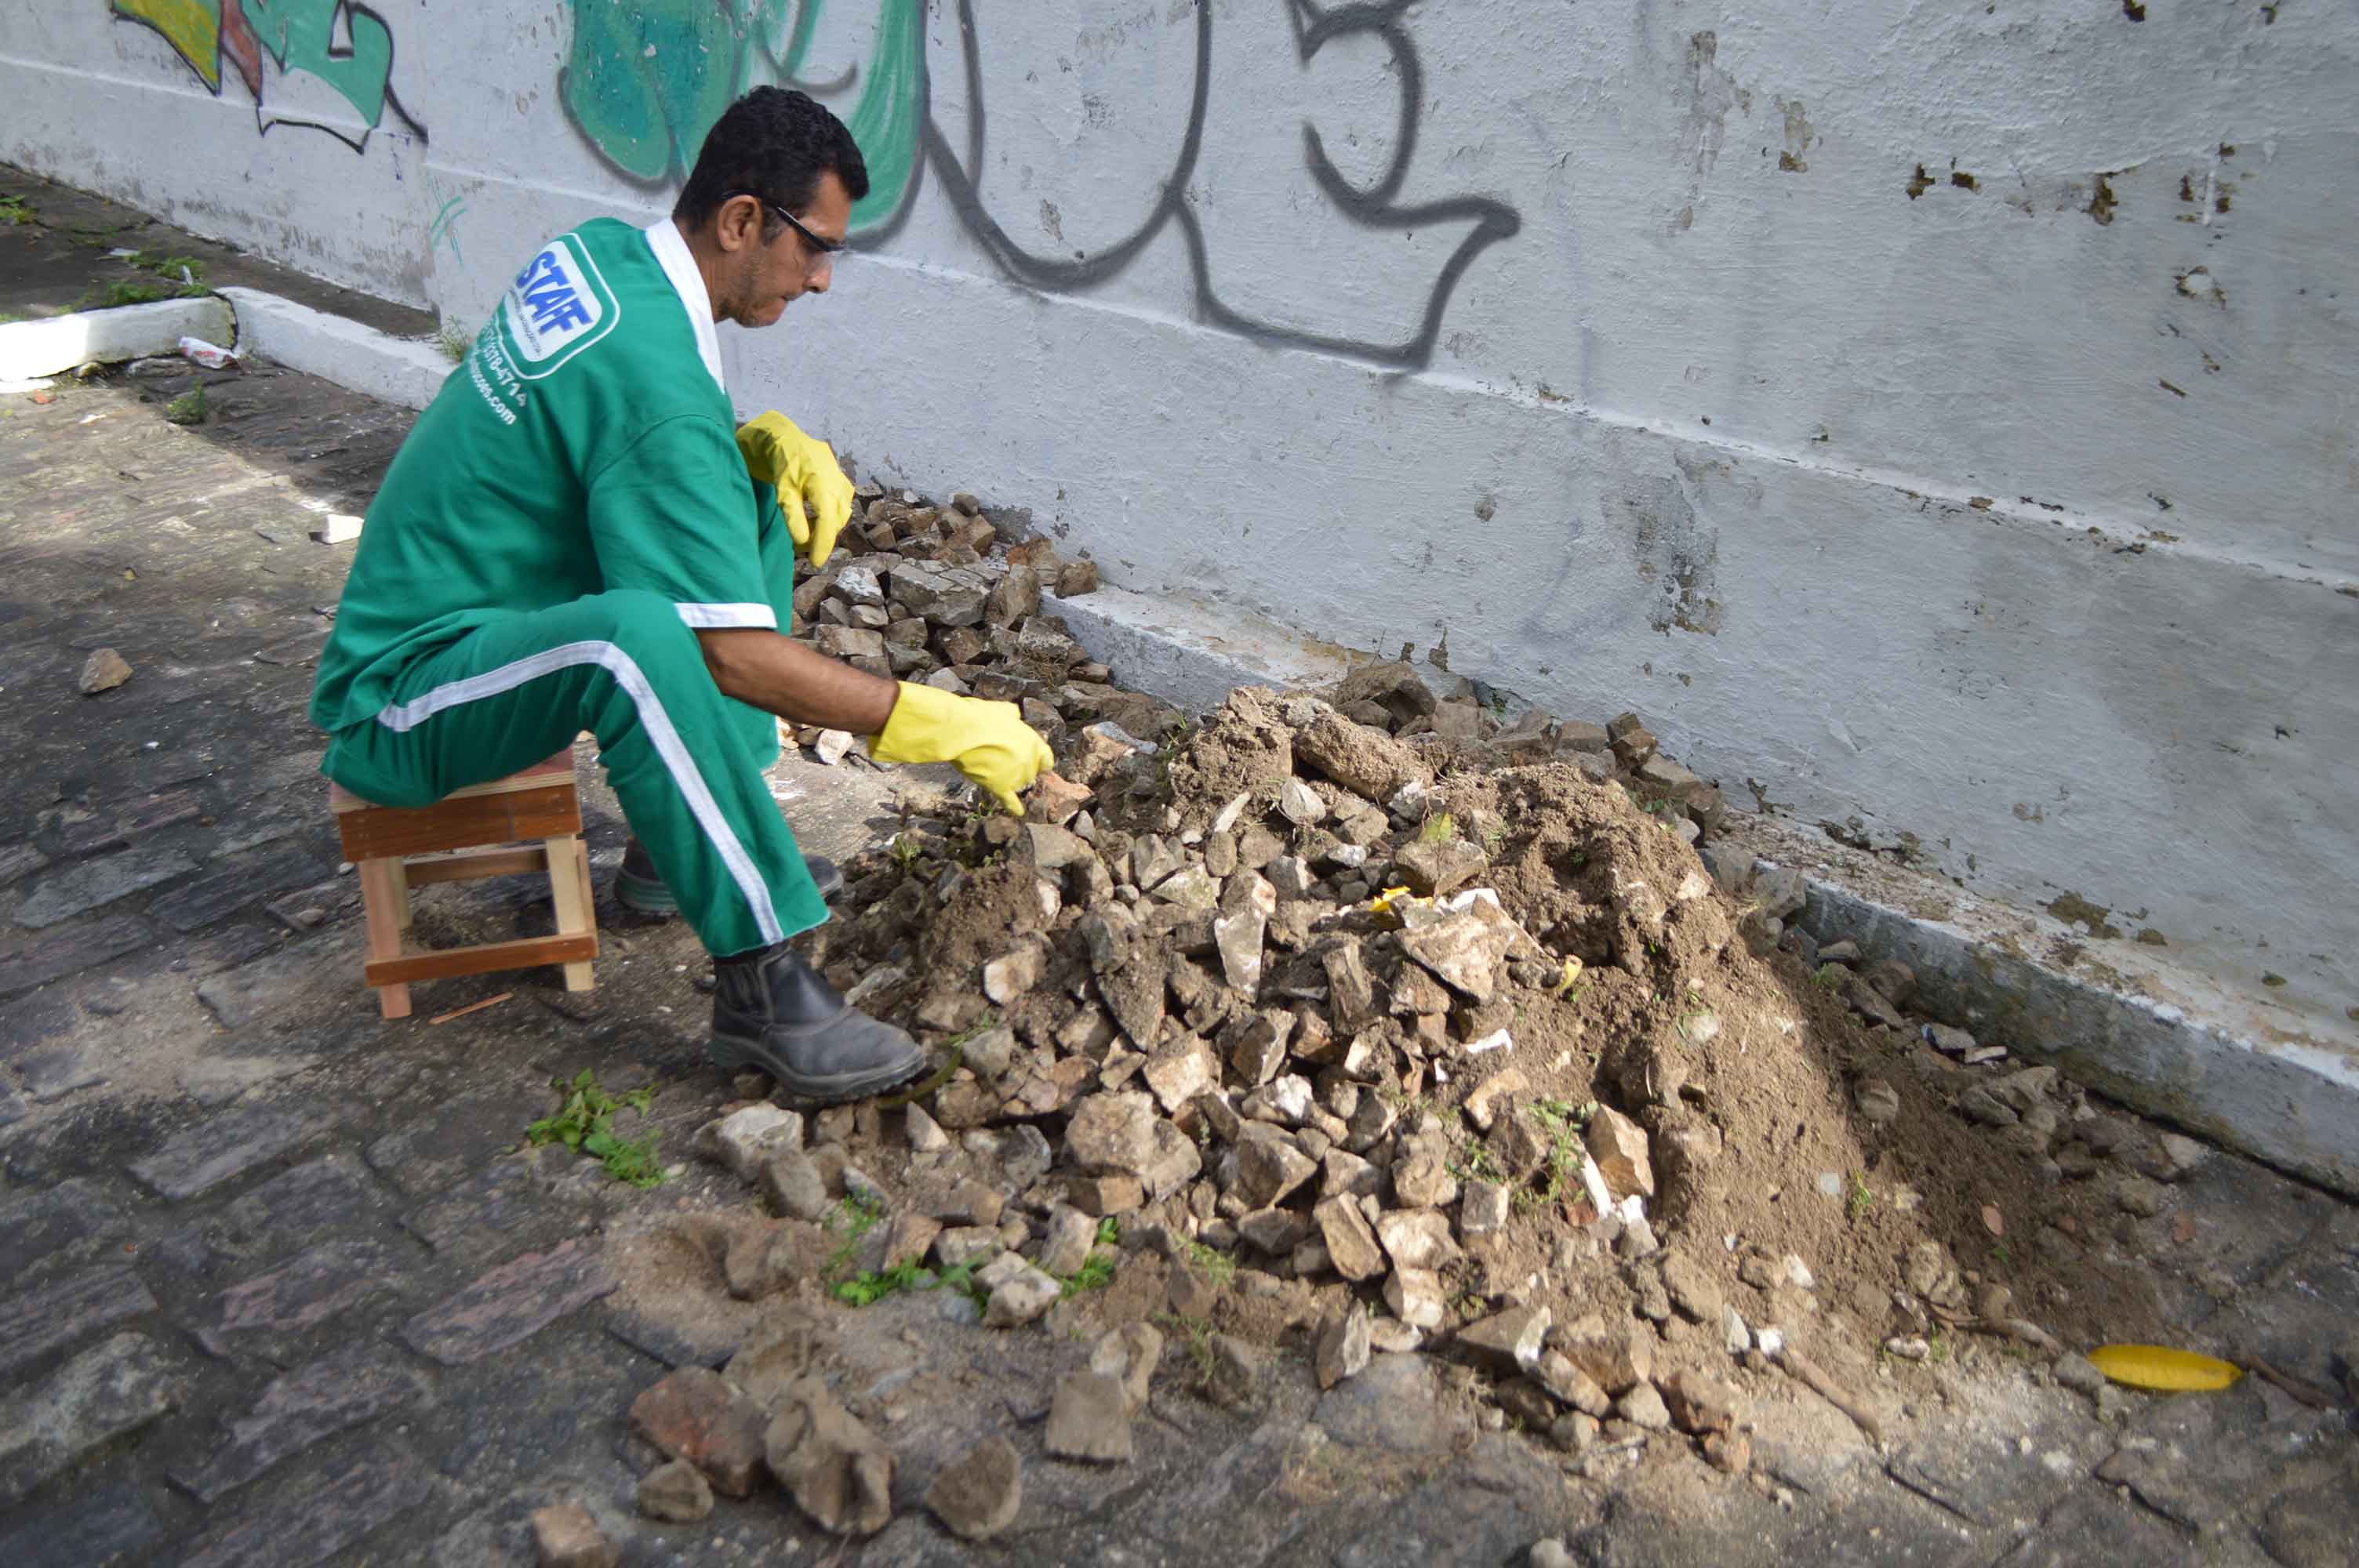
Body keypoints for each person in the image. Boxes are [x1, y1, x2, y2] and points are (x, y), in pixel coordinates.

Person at [309, 88, 1050, 1103]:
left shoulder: (609, 258)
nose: (823, 278)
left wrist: (744, 447)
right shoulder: (655, 378)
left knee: (751, 498)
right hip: (400, 696)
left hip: (490, 620)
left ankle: (675, 855)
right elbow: (726, 654)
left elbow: (623, 429)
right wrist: (929, 719)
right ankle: (763, 986)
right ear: (742, 220)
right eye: (815, 247)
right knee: (635, 640)